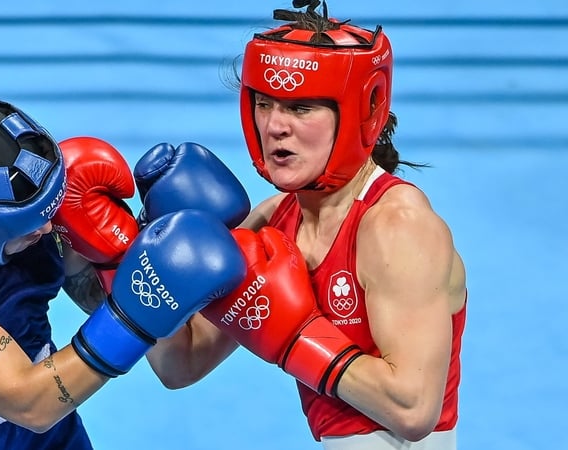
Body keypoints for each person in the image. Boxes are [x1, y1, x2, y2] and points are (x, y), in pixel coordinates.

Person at [145, 1, 468, 448]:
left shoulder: (397, 227)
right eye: (264, 103)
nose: (276, 125)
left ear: (361, 112)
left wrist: (297, 339)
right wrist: (128, 259)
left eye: (301, 108)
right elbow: (180, 366)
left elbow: (413, 409)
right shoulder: (272, 222)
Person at [0, 95, 249, 449]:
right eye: (28, 225)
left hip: (48, 425)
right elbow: (29, 402)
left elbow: (171, 363)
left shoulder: (25, 200)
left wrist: (130, 253)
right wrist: (134, 315)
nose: (46, 229)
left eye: (47, 212)